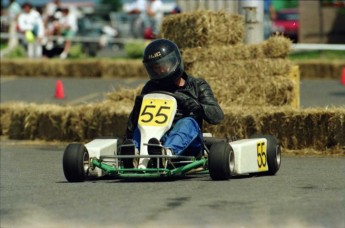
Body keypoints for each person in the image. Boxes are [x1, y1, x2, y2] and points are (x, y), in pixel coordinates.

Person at [122, 39, 224, 167]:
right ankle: (134, 154)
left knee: (188, 122)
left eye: (162, 66)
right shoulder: (150, 87)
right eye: (154, 68)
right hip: (155, 142)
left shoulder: (197, 85)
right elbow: (132, 127)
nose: (159, 72)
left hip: (188, 143)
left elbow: (218, 116)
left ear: (174, 61)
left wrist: (197, 107)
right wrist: (137, 110)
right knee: (141, 126)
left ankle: (167, 153)